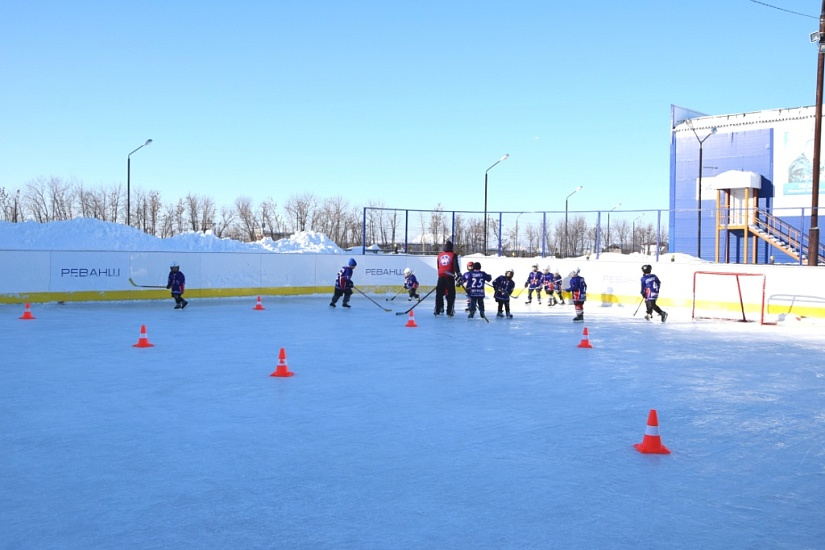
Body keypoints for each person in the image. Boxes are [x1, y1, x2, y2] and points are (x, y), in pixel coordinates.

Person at [435, 240, 462, 316]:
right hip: (449, 276)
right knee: (451, 294)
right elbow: (455, 265)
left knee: (439, 294)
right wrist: (458, 274)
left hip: (441, 276)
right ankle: (449, 310)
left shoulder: (440, 255)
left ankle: (437, 309)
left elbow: (438, 266)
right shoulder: (453, 255)